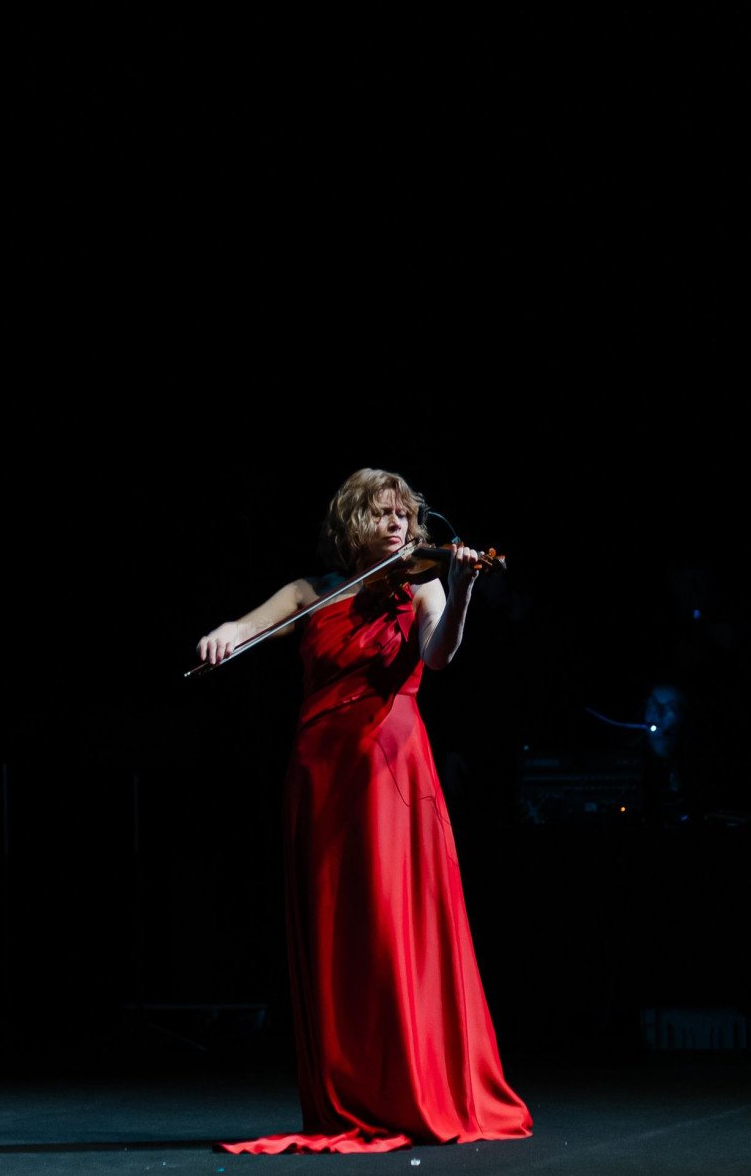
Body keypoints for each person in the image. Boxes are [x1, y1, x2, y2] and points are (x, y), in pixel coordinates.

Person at [197, 468, 532, 1154]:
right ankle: (347, 1088)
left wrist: (463, 585)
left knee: (391, 927)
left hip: (390, 769)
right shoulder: (310, 592)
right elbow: (249, 624)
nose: (398, 526)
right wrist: (225, 634)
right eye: (382, 515)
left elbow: (438, 656)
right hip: (321, 777)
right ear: (352, 524)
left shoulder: (423, 583)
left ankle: (408, 1084)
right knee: (334, 935)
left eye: (403, 516)